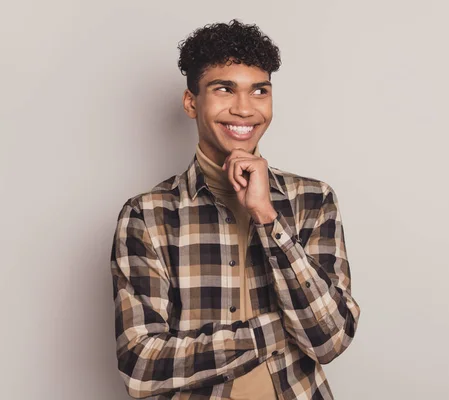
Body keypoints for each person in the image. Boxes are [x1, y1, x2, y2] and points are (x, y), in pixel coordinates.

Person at [110, 19, 360, 400]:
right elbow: (142, 367)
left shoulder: (314, 200)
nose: (244, 109)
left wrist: (266, 216)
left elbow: (330, 340)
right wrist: (272, 332)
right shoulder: (148, 215)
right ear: (191, 102)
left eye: (259, 91)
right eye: (224, 89)